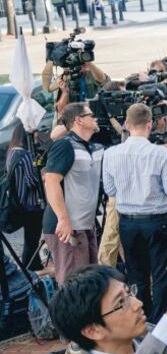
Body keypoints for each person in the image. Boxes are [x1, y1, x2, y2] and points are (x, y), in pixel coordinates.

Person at [103, 104, 167, 323]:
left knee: (137, 274)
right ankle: (160, 320)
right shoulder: (159, 153)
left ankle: (143, 318)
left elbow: (110, 190)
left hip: (128, 221)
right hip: (157, 218)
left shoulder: (111, 154)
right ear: (150, 124)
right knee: (161, 273)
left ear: (127, 125)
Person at [42, 102, 104, 285]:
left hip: (85, 224)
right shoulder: (65, 145)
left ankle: (88, 315)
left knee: (90, 282)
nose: (95, 118)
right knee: (73, 285)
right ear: (79, 120)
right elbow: (51, 181)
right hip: (68, 227)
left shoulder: (92, 147)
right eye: (90, 115)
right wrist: (63, 219)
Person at [5, 121, 45, 270]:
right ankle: (30, 267)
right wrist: (44, 172)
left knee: (30, 238)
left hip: (19, 201)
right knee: (32, 239)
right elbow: (32, 180)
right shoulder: (26, 155)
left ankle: (32, 264)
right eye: (34, 133)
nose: (37, 136)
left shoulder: (12, 152)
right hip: (31, 203)